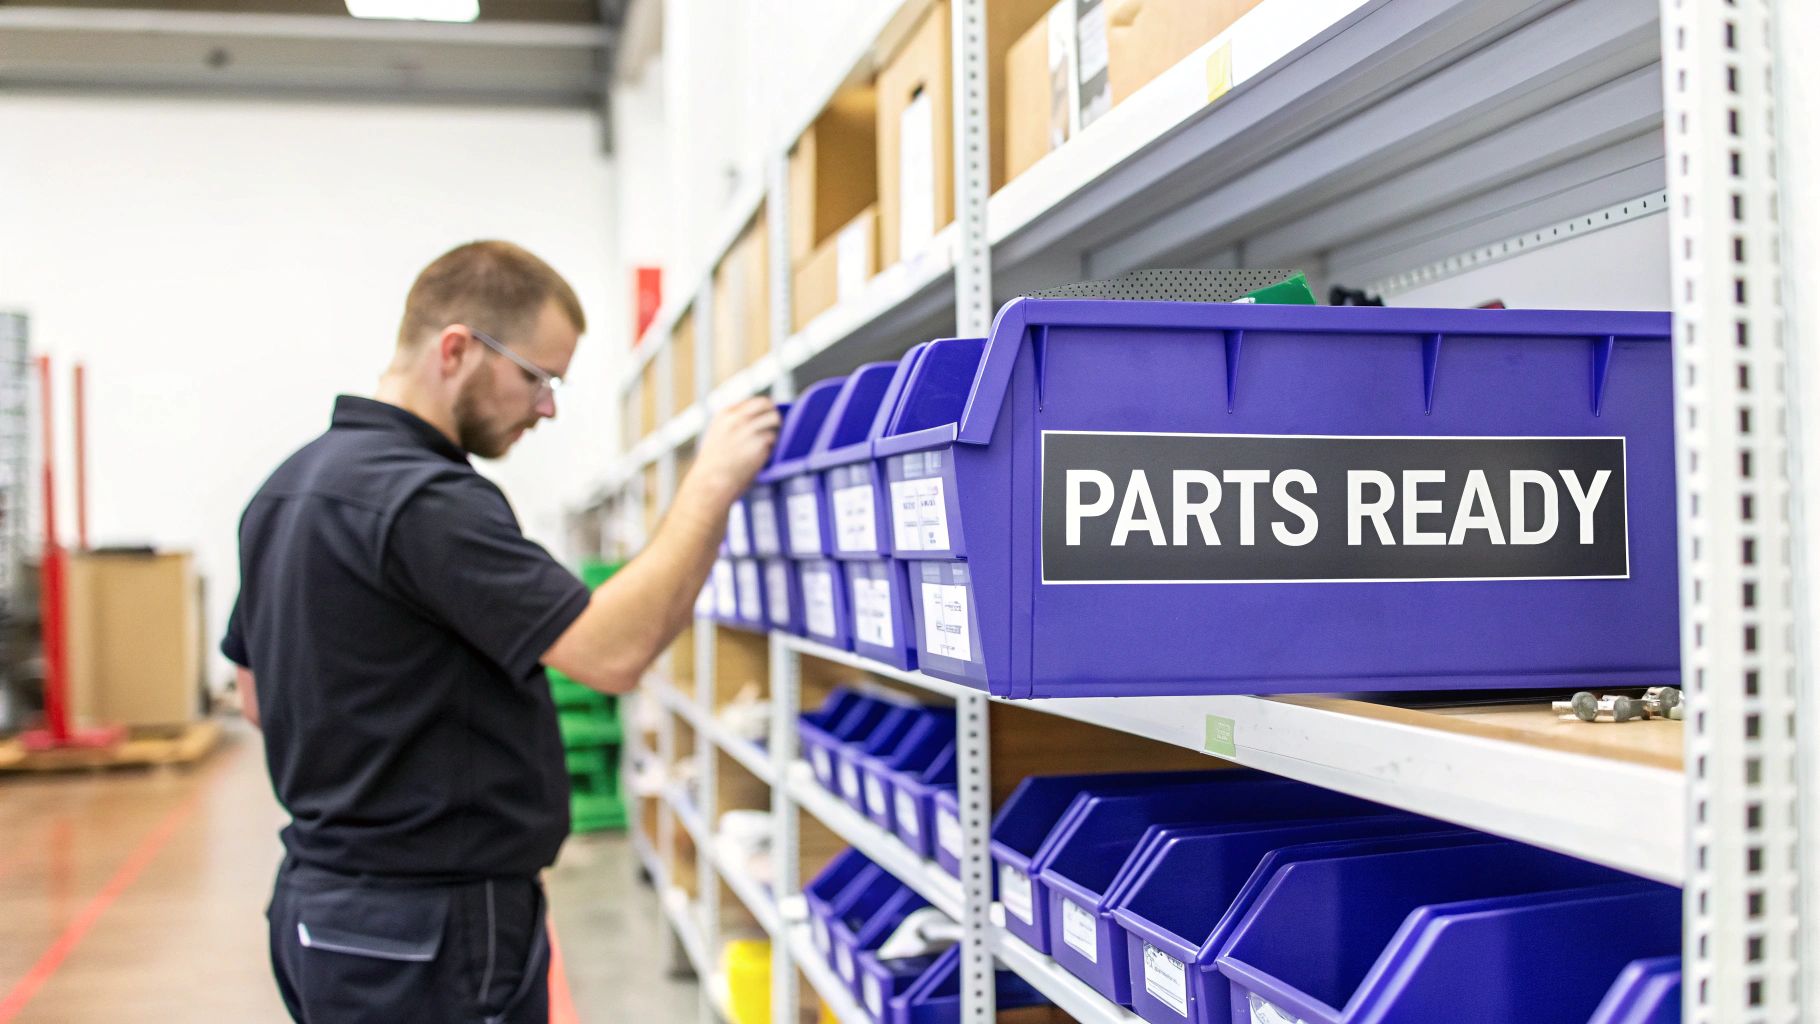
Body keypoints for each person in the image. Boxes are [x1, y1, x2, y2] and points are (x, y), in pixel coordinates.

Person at [222, 240, 779, 1023]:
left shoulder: (283, 490)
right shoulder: (427, 500)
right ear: (456, 349)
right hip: (433, 928)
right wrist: (711, 484)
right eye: (537, 377)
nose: (548, 407)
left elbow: (253, 693)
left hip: (322, 914)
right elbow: (611, 654)